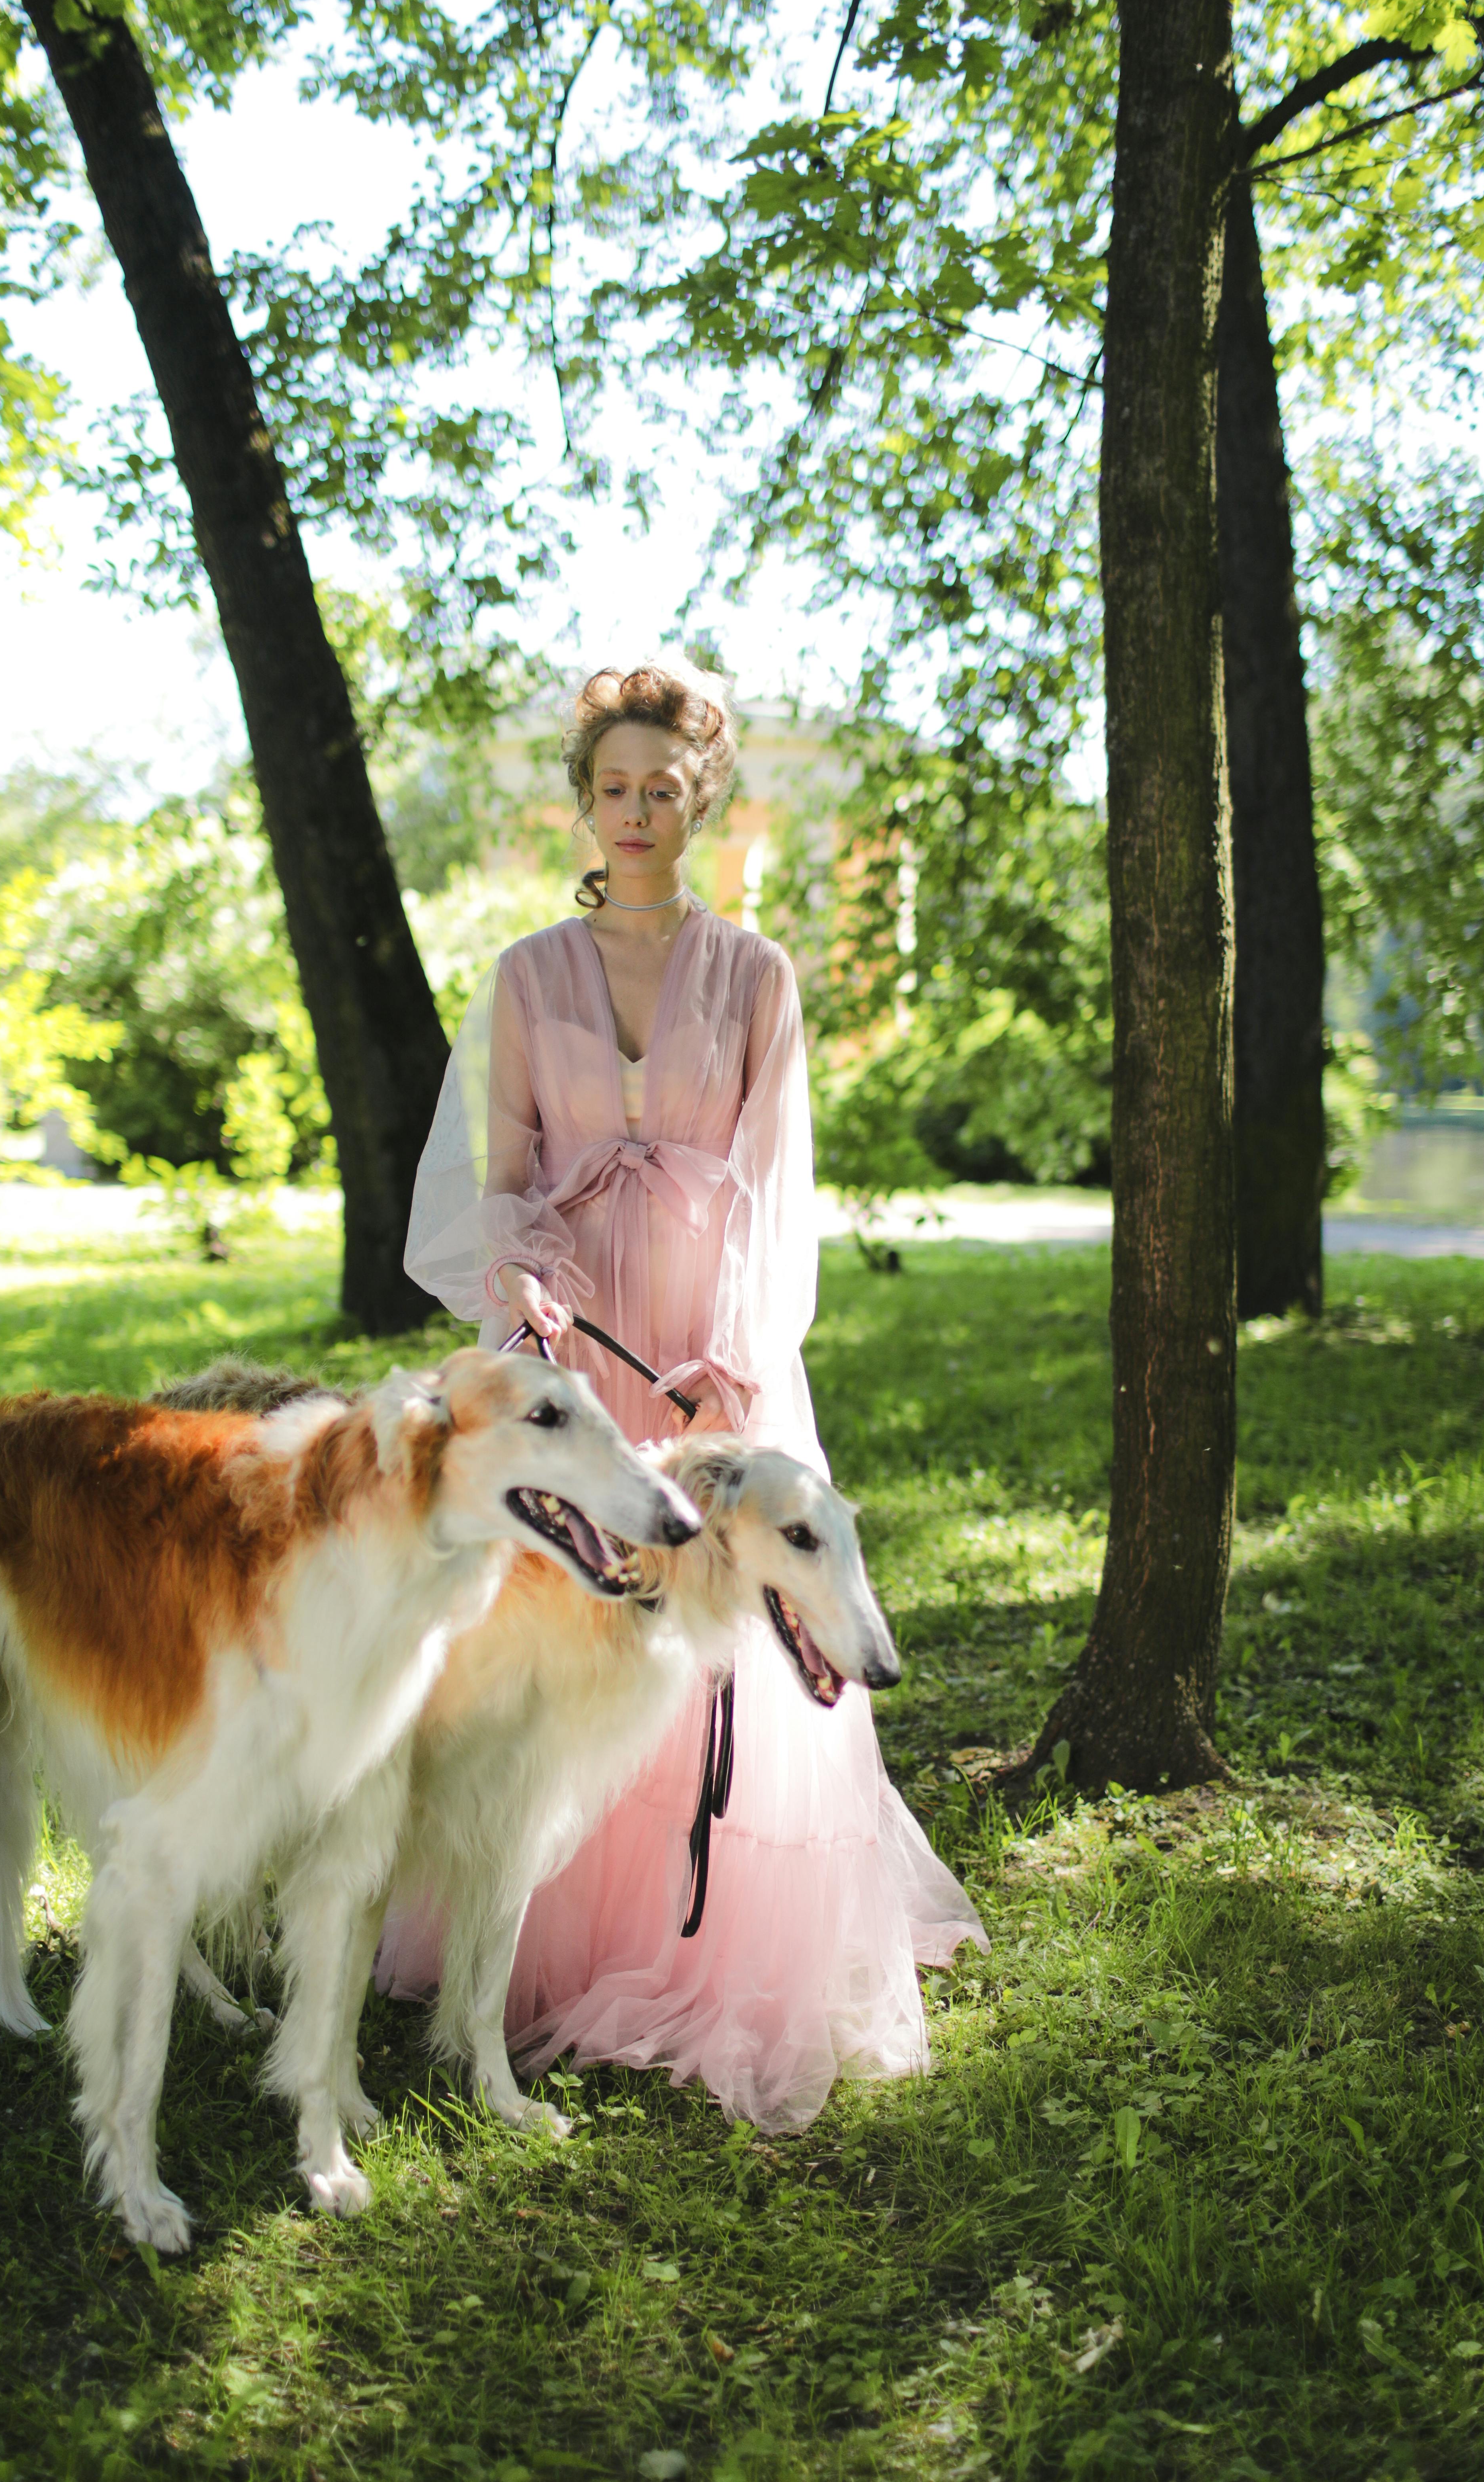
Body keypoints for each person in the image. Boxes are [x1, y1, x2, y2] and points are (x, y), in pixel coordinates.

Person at [381, 657, 985, 2129]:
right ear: (581, 806)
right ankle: (525, 1943)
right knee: (577, 1634)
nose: (635, 813)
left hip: (715, 1354)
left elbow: (778, 1191)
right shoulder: (527, 976)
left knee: (718, 1632)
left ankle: (705, 1949)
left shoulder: (757, 974)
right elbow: (507, 1178)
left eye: (662, 789)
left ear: (699, 798)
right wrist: (523, 1284)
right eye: (611, 789)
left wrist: (736, 1354)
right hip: (583, 1355)